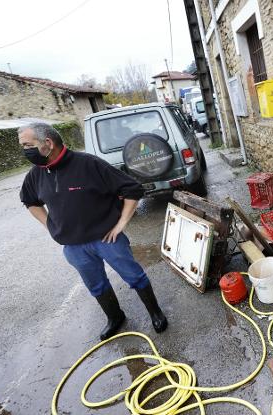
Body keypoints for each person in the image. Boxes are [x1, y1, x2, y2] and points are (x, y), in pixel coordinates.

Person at [18, 122, 167, 340]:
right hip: (74, 247)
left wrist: (121, 223)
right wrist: (49, 225)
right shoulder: (36, 174)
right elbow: (29, 201)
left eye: (27, 145)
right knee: (96, 285)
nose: (25, 151)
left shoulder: (88, 164)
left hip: (108, 240)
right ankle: (115, 318)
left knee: (134, 276)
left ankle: (156, 313)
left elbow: (132, 189)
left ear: (48, 143)